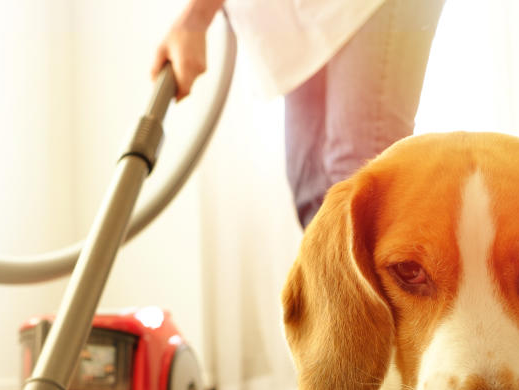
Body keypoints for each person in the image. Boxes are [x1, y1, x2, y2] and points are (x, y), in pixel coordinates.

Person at [152, 0, 445, 229]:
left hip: (369, 7)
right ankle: (329, 305)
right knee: (312, 193)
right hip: (297, 22)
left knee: (356, 181)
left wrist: (195, 20)